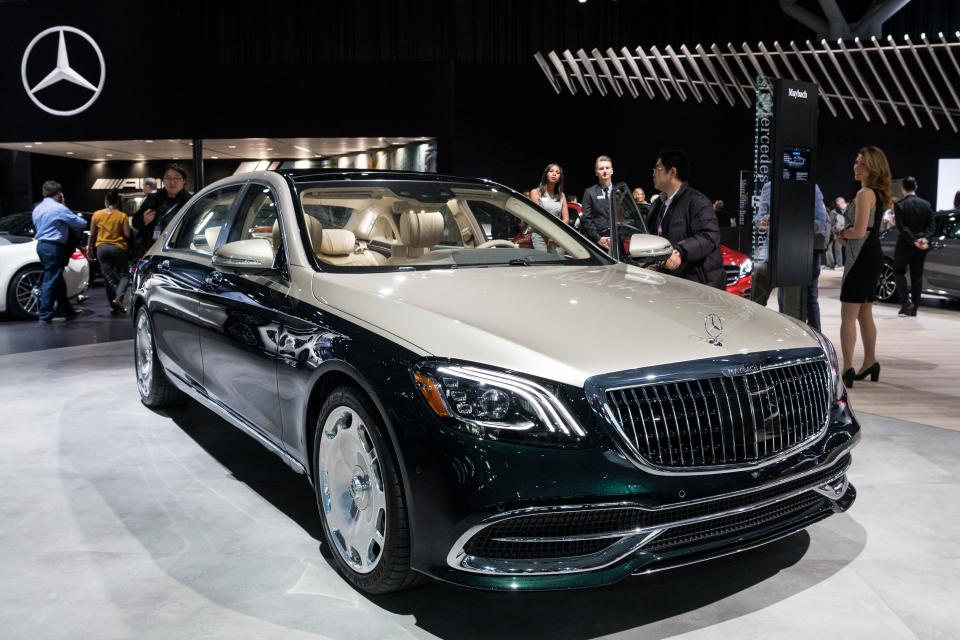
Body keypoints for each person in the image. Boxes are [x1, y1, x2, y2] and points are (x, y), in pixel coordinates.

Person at [836, 146, 891, 387]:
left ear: (873, 168)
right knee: (865, 312)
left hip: (861, 257)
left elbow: (858, 231)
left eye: (862, 163)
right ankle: (870, 361)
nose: (856, 167)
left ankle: (847, 366)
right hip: (873, 254)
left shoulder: (864, 194)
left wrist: (842, 232)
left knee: (848, 315)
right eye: (856, 162)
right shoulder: (879, 194)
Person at [645, 149, 724, 288]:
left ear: (672, 172)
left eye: (658, 168)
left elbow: (709, 236)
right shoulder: (659, 204)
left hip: (699, 285)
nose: (653, 172)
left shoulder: (697, 201)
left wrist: (680, 251)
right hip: (671, 282)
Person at [31, 180, 87, 322]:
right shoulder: (58, 208)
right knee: (51, 279)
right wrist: (63, 205)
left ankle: (67, 310)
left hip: (41, 245)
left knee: (57, 279)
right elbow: (81, 223)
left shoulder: (37, 208)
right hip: (53, 247)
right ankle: (45, 314)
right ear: (59, 194)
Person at [892, 176, 936, 316]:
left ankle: (905, 303)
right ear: (915, 187)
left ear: (902, 188)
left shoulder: (900, 204)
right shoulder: (926, 204)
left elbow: (901, 227)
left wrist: (913, 240)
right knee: (917, 277)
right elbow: (932, 225)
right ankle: (914, 308)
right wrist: (924, 239)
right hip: (921, 247)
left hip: (905, 245)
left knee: (899, 272)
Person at [131, 164, 192, 259]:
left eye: (176, 178)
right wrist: (144, 219)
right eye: (168, 178)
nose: (172, 182)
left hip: (179, 250)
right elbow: (135, 222)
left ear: (184, 181)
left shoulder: (190, 201)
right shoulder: (152, 199)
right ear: (163, 181)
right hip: (153, 249)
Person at [86, 189, 131, 315]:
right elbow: (127, 234)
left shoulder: (97, 214)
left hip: (102, 248)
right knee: (125, 275)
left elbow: (93, 234)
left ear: (106, 201)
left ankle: (115, 306)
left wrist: (89, 248)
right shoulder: (122, 216)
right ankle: (118, 298)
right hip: (118, 248)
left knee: (108, 277)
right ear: (117, 201)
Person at [529, 163, 569, 253]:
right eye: (551, 171)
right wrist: (550, 233)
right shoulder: (535, 193)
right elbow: (536, 217)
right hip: (540, 235)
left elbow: (566, 219)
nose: (554, 174)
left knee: (559, 264)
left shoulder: (562, 195)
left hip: (557, 236)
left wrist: (555, 234)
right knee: (543, 265)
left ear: (560, 177)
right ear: (546, 174)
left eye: (557, 172)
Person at [581, 156, 616, 249]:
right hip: (598, 243)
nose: (605, 171)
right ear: (596, 172)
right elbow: (586, 219)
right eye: (601, 168)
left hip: (618, 241)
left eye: (607, 168)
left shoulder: (620, 192)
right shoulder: (589, 192)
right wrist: (598, 239)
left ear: (612, 170)